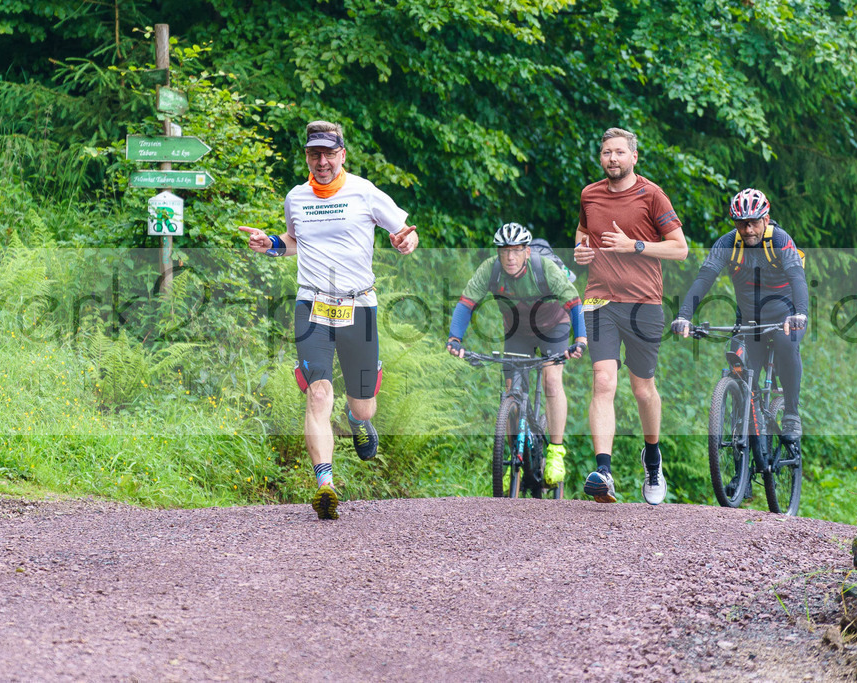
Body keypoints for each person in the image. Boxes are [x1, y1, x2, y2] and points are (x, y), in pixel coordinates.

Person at [239, 120, 419, 521]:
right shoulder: (297, 197)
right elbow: (292, 242)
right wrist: (269, 244)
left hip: (359, 307)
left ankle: (357, 420)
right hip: (312, 306)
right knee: (318, 394)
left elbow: (406, 232)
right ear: (307, 156)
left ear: (342, 155)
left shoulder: (364, 192)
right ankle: (325, 485)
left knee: (364, 405)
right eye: (314, 154)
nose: (321, 161)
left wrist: (406, 241)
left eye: (328, 153)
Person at [573, 127, 689, 505]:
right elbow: (581, 232)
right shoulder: (589, 194)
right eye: (607, 152)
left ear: (633, 157)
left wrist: (633, 245)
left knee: (643, 390)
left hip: (644, 304)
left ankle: (652, 456)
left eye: (620, 152)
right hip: (599, 300)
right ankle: (603, 471)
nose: (613, 159)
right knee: (603, 381)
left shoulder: (652, 195)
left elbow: (680, 249)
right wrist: (581, 251)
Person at [446, 223, 587, 488]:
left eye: (516, 251)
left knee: (551, 381)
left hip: (553, 326)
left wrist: (580, 339)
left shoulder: (544, 268)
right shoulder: (491, 269)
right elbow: (466, 304)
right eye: (504, 251)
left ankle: (556, 452)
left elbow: (574, 303)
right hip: (517, 330)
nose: (509, 257)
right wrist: (455, 338)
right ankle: (515, 456)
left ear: (527, 251)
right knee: (511, 391)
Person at [670, 187, 808, 443]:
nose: (748, 230)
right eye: (741, 224)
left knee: (785, 344)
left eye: (754, 223)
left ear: (765, 220)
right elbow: (703, 280)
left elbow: (798, 278)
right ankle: (741, 449)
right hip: (749, 320)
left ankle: (791, 414)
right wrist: (684, 316)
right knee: (740, 371)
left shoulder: (779, 240)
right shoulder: (726, 244)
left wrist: (800, 313)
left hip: (785, 317)